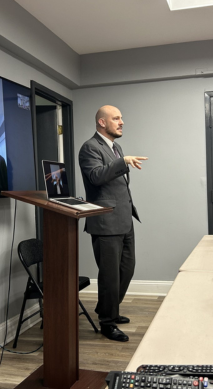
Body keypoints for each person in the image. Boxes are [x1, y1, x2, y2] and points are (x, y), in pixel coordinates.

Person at [78, 105, 148, 342]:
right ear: (101, 122)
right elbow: (96, 176)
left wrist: (123, 159)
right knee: (109, 275)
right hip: (105, 222)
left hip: (124, 218)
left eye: (121, 117)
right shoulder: (89, 147)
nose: (121, 122)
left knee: (126, 269)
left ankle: (109, 309)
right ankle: (107, 323)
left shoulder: (115, 147)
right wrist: (124, 162)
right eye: (116, 118)